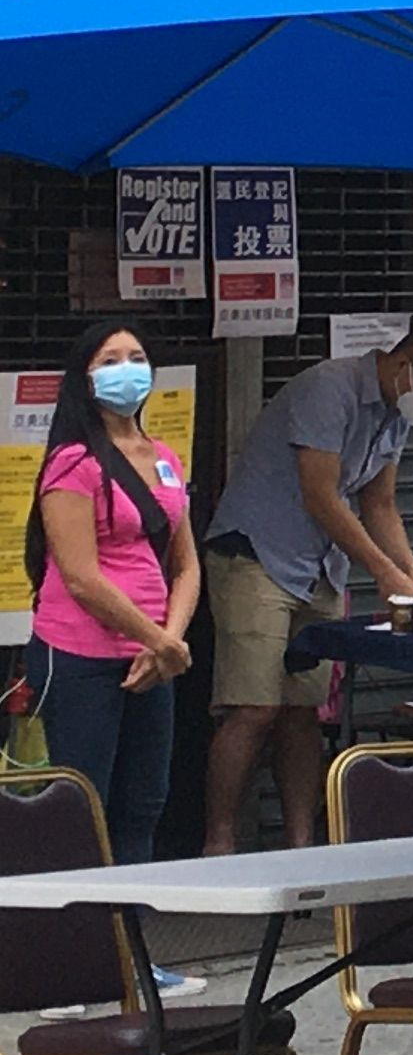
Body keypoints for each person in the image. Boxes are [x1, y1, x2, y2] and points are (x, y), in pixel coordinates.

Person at [199, 315, 413, 855]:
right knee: (253, 707)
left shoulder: (397, 415)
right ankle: (219, 841)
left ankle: (303, 845)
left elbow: (380, 503)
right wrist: (382, 571)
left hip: (320, 568)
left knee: (304, 711)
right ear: (402, 365)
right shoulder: (330, 387)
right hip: (258, 552)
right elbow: (321, 495)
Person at [21, 319, 197, 869]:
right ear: (85, 378)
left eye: (136, 356)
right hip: (81, 657)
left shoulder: (165, 456)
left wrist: (168, 641)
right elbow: (80, 578)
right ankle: (81, 947)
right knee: (82, 805)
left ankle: (136, 951)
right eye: (110, 360)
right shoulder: (72, 463)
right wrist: (160, 642)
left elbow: (186, 565)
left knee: (143, 803)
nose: (128, 369)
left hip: (151, 657)